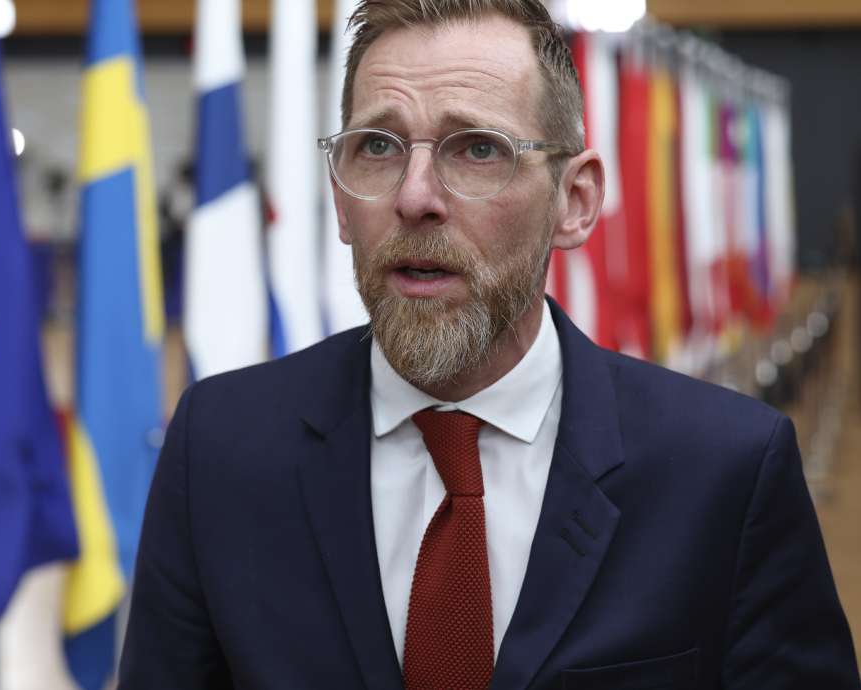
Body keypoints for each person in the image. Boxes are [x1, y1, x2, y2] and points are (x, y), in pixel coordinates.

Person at [119, 1, 861, 688]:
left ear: (575, 202)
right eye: (376, 146)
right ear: (340, 197)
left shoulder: (724, 470)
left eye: (476, 149)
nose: (413, 196)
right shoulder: (219, 448)